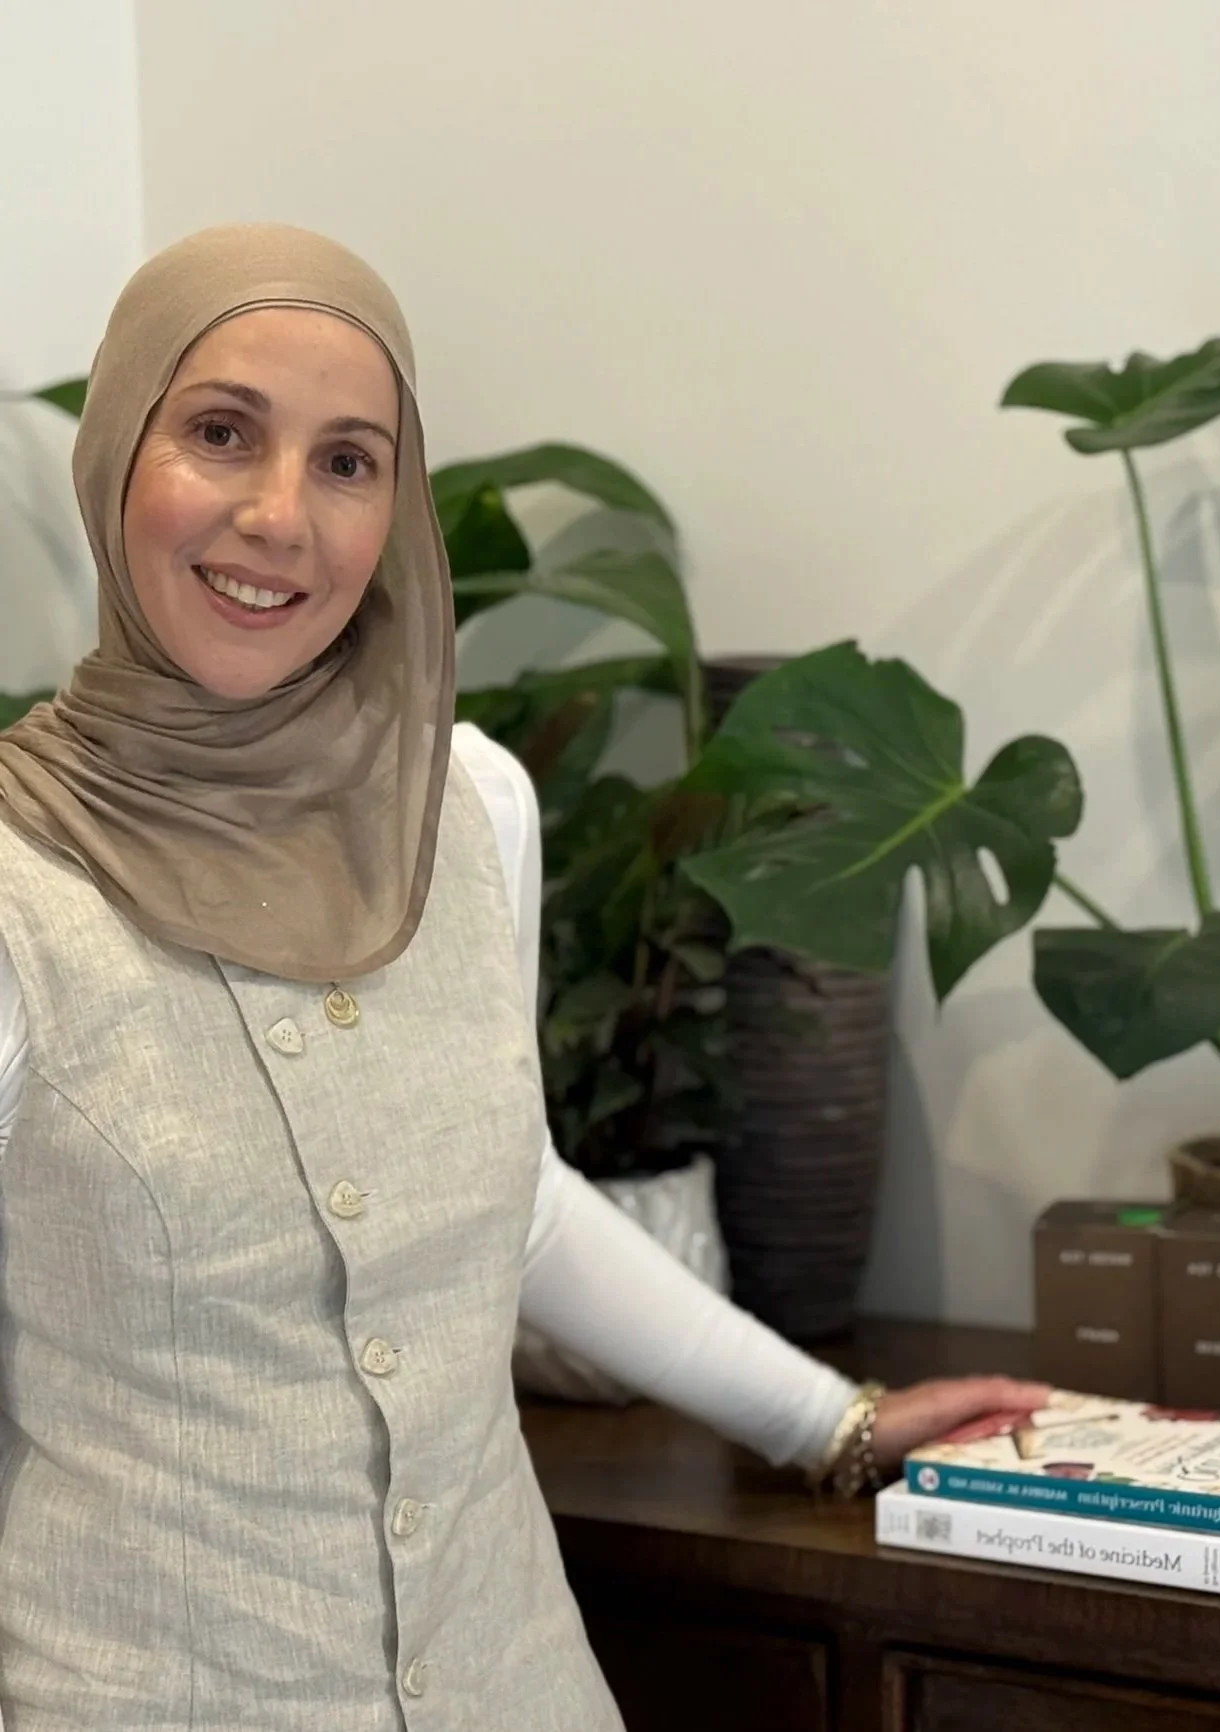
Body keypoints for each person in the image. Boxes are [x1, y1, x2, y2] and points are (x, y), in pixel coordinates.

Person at [0, 225, 1048, 1731]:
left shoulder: (470, 808)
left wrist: (831, 1419)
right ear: (115, 453)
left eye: (351, 461)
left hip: (512, 1680)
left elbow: (518, 1192)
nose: (280, 515)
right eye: (221, 433)